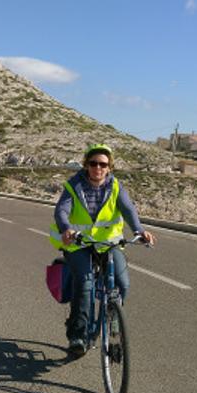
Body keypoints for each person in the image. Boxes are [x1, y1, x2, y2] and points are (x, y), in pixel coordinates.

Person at [49, 144, 155, 357]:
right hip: (79, 243)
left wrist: (139, 231)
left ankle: (113, 319)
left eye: (103, 164)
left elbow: (128, 210)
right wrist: (66, 229)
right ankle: (77, 335)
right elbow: (61, 210)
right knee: (86, 284)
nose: (98, 168)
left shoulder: (116, 186)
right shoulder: (74, 185)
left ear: (109, 167)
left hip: (108, 244)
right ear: (86, 165)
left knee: (122, 283)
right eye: (93, 163)